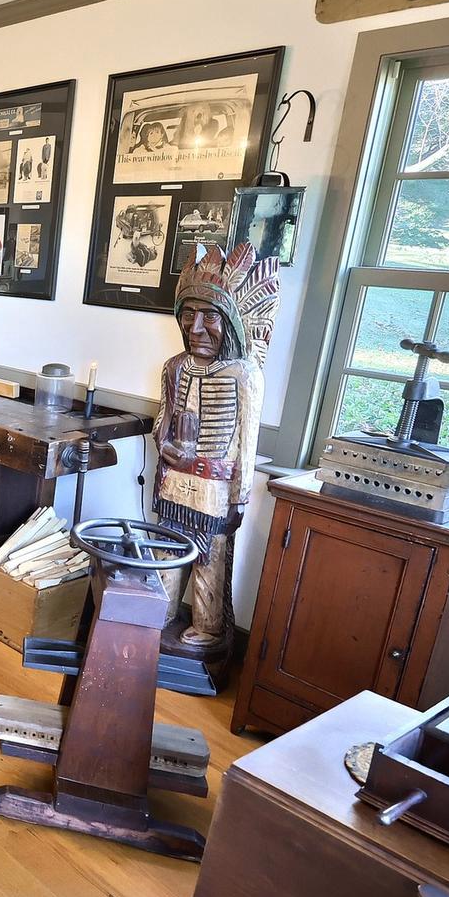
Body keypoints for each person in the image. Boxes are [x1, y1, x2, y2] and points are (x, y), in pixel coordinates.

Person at [152, 242, 278, 658]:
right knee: (168, 548)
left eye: (210, 317)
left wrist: (240, 497)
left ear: (234, 324)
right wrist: (167, 446)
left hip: (214, 487)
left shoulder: (244, 375)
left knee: (210, 558)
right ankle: (161, 611)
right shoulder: (175, 367)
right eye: (188, 316)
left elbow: (247, 443)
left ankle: (207, 626)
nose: (196, 328)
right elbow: (162, 418)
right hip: (175, 481)